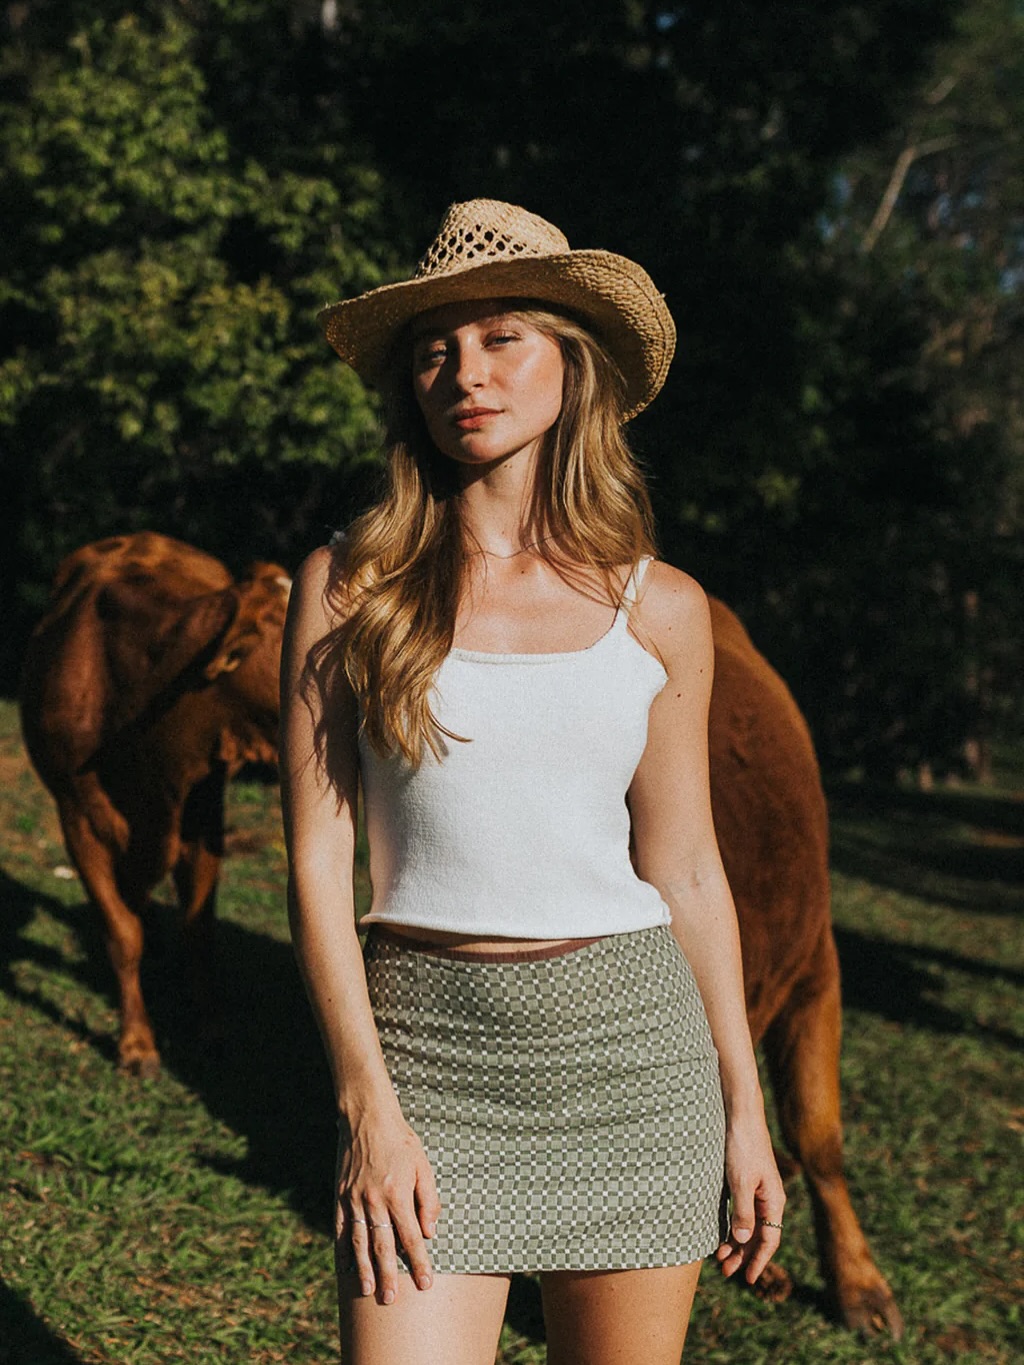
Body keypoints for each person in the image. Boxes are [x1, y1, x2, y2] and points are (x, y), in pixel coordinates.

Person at [280, 199, 785, 1365]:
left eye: (501, 337)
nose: (464, 372)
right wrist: (366, 1104)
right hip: (427, 1057)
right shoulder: (349, 586)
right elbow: (315, 853)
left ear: (573, 363)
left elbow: (686, 869)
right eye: (434, 350)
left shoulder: (660, 607)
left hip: (634, 1065)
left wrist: (744, 1110)